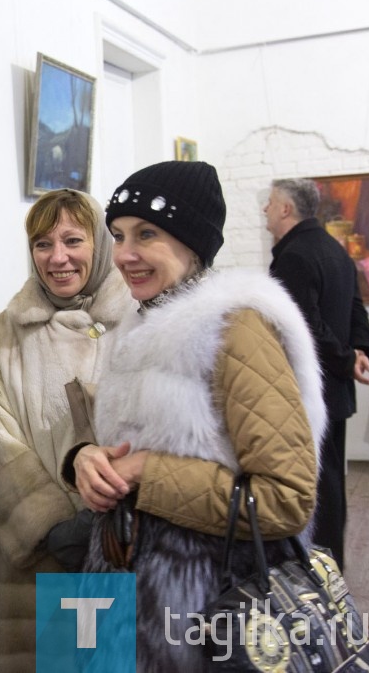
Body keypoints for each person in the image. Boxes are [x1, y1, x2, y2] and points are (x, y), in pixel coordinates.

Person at [70, 161, 325, 672]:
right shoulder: (137, 325)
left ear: (193, 243)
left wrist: (148, 472)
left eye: (147, 234)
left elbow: (288, 499)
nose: (125, 254)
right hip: (112, 582)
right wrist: (83, 459)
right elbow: (126, 447)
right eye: (117, 235)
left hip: (203, 611)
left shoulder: (237, 330)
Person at [0, 189, 134, 671]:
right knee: (46, 663)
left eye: (72, 240)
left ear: (101, 245)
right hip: (37, 557)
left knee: (104, 662)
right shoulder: (5, 333)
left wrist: (98, 521)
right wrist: (55, 524)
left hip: (119, 545)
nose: (58, 257)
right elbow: (1, 437)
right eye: (43, 244)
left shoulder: (140, 321)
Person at [264, 177, 369, 570]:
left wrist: (348, 358)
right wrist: (361, 350)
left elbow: (304, 326)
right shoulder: (333, 248)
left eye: (270, 203)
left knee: (313, 486)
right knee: (331, 483)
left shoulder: (294, 254)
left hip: (309, 393)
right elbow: (355, 310)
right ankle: (331, 565)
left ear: (285, 209)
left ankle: (318, 569)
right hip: (336, 391)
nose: (264, 210)